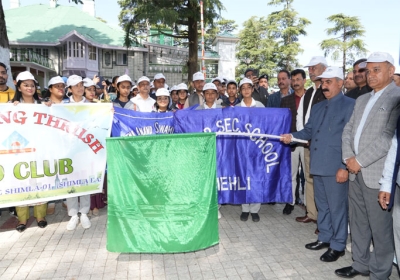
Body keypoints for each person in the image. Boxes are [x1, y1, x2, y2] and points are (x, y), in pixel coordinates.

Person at [282, 66, 355, 263]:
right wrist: (292, 136)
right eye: (323, 82)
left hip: (336, 167)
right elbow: (308, 131)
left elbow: (351, 140)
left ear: (340, 83)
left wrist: (344, 166)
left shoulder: (350, 105)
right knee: (322, 205)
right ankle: (324, 237)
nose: (324, 86)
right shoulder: (318, 107)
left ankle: (338, 245)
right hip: (318, 164)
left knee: (337, 207)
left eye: (329, 82)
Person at [338, 52, 400, 279]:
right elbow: (348, 130)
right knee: (358, 222)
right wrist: (348, 159)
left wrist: (359, 161)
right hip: (355, 172)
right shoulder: (362, 99)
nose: (370, 75)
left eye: (377, 70)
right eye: (368, 70)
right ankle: (360, 264)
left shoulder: (397, 96)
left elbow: (389, 137)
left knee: (380, 228)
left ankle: (380, 272)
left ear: (391, 71)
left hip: (377, 174)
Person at [10, 71, 47, 232]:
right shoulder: (11, 106)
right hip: (19, 152)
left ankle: (40, 216)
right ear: (18, 86)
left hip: (39, 151)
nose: (30, 88)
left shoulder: (42, 106)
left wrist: (49, 107)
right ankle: (22, 219)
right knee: (21, 183)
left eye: (32, 85)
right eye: (26, 85)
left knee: (40, 182)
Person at [295, 56, 327, 228]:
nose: (311, 71)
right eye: (310, 69)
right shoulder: (309, 92)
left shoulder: (329, 90)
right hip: (307, 143)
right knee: (309, 178)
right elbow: (300, 116)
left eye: (314, 68)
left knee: (321, 183)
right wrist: (302, 136)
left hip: (321, 145)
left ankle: (322, 219)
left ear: (324, 68)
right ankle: (312, 213)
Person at [235, 78, 264, 222]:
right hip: (241, 148)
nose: (246, 90)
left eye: (249, 87)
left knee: (256, 178)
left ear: (253, 89)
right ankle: (245, 208)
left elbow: (266, 125)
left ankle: (255, 209)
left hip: (257, 148)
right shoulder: (236, 109)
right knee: (243, 178)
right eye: (243, 88)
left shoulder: (260, 106)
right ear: (240, 91)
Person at [280, 69, 307, 215]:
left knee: (309, 176)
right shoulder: (285, 100)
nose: (296, 82)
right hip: (291, 142)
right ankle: (290, 202)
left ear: (304, 80)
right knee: (291, 174)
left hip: (308, 142)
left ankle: (309, 206)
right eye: (294, 80)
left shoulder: (312, 97)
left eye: (298, 79)